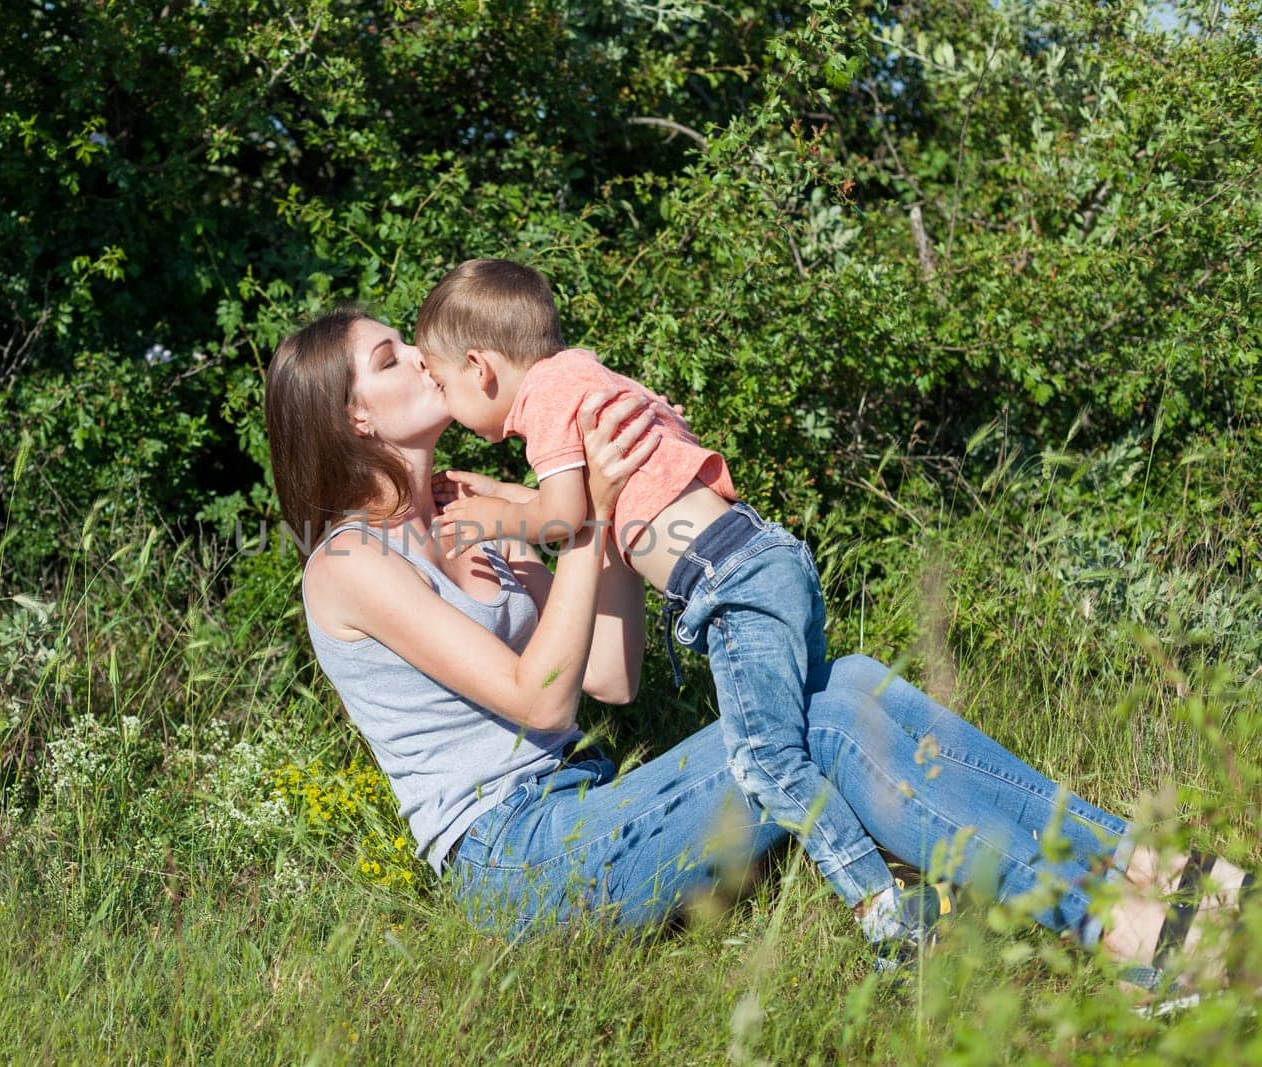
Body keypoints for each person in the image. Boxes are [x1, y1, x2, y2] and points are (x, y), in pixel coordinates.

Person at [263, 307, 1253, 999]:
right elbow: (539, 700)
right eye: (393, 356)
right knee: (824, 720)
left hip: (594, 803)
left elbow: (609, 675)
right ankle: (1121, 927)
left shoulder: (470, 499)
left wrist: (606, 503)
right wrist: (585, 521)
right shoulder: (347, 563)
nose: (423, 359)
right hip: (517, 862)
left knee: (848, 685)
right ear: (353, 415)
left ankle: (1147, 864)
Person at [414, 258, 927, 963]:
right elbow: (596, 511)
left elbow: (565, 515)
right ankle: (913, 869)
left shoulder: (543, 400)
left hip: (732, 578)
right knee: (807, 736)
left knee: (767, 759)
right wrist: (504, 496)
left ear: (482, 367)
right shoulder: (584, 376)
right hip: (759, 559)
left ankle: (889, 916)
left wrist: (489, 516)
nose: (447, 406)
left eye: (443, 384)